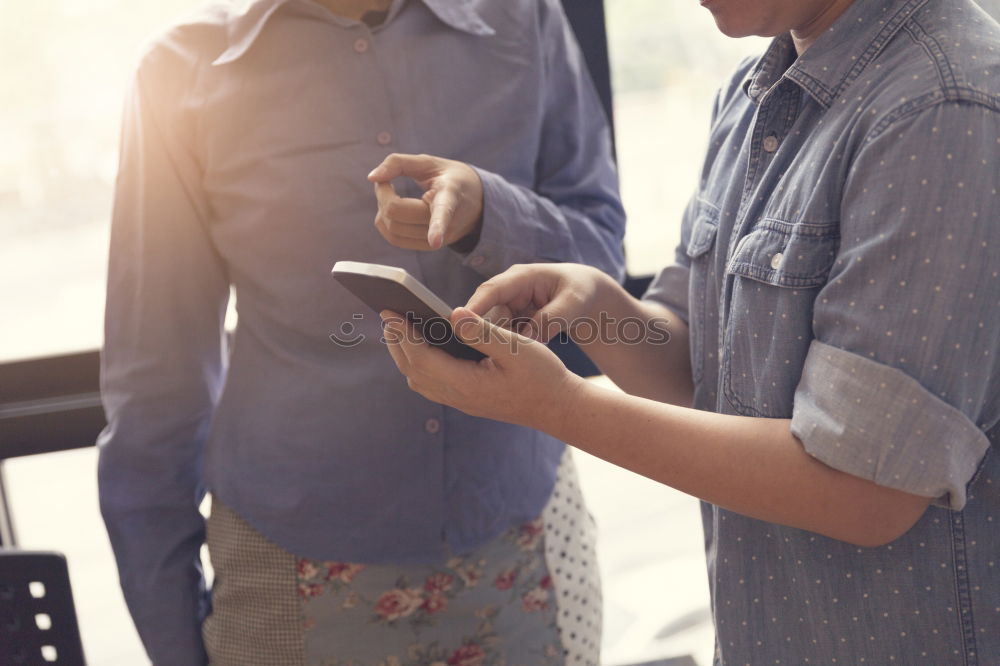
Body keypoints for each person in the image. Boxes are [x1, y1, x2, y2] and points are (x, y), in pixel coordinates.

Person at [382, 0, 1000, 662]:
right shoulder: (754, 92)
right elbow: (705, 375)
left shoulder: (944, 106)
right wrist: (596, 306)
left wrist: (556, 405)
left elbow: (866, 492)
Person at [97, 0, 625, 664]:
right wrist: (173, 641)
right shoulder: (180, 71)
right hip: (288, 566)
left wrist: (489, 215)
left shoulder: (523, 18)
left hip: (524, 540)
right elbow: (155, 382)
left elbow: (600, 262)